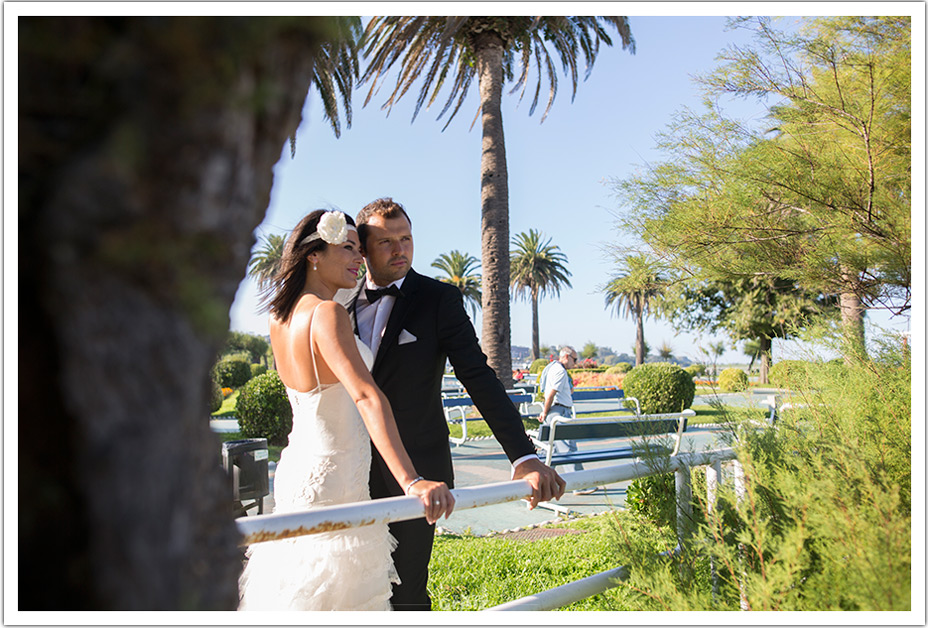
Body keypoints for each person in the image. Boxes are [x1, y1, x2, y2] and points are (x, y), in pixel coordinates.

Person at [343, 197, 566, 610]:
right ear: (362, 248)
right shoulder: (338, 299)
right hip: (347, 469)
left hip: (417, 469)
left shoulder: (438, 299)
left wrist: (523, 457)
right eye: (387, 242)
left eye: (406, 238)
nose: (400, 249)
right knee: (351, 585)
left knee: (405, 589)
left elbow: (479, 378)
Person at [238, 209, 455, 611]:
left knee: (300, 592)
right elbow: (367, 396)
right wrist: (411, 482)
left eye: (359, 249)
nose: (360, 258)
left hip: (296, 472)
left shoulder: (279, 317)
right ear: (313, 255)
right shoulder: (327, 314)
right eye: (348, 249)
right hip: (337, 479)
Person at [537, 346, 596, 494]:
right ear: (566, 357)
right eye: (574, 359)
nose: (575, 363)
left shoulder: (553, 369)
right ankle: (580, 485)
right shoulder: (559, 371)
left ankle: (541, 485)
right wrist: (544, 412)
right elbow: (551, 394)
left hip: (555, 412)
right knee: (568, 450)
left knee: (552, 452)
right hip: (559, 412)